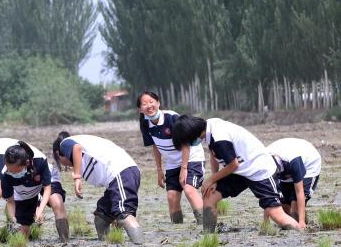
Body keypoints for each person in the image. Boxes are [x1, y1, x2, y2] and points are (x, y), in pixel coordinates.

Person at [171, 116, 301, 232]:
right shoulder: (209, 126)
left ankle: (300, 233)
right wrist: (214, 180)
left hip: (259, 170)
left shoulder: (219, 138)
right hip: (240, 170)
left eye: (186, 142)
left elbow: (233, 165)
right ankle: (208, 235)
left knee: (276, 214)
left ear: (192, 135)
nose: (188, 145)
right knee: (209, 195)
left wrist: (210, 179)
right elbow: (214, 155)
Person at [52, 133, 144, 244]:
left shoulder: (65, 143)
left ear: (58, 153)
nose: (66, 166)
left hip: (121, 173)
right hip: (119, 178)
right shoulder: (85, 148)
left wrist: (77, 178)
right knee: (101, 217)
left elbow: (77, 148)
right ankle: (109, 245)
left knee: (123, 214)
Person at [137, 92, 205, 224]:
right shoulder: (145, 123)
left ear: (158, 103)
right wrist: (159, 170)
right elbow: (155, 146)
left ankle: (206, 224)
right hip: (172, 163)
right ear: (140, 109)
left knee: (189, 189)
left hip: (191, 157)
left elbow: (186, 143)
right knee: (171, 196)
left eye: (151, 102)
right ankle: (177, 227)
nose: (149, 106)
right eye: (144, 104)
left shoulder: (172, 118)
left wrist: (184, 168)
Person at [1, 141, 69, 242]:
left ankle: (65, 240)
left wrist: (40, 210)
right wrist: (13, 219)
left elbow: (47, 189)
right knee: (22, 233)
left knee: (57, 203)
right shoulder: (6, 174)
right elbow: (10, 201)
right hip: (25, 190)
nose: (12, 173)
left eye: (16, 171)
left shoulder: (40, 160)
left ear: (26, 163)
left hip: (45, 181)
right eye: (10, 170)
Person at [266, 138, 322, 229]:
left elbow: (299, 192)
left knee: (295, 205)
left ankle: (303, 223)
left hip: (309, 164)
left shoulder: (294, 161)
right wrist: (266, 221)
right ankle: (292, 225)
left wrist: (301, 222)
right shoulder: (263, 163)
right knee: (282, 209)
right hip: (285, 167)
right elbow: (268, 195)